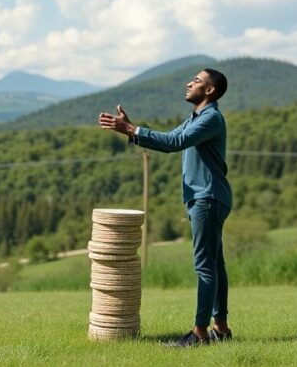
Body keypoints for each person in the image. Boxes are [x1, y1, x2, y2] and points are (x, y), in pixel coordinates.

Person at [98, 69, 233, 347]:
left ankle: (199, 334)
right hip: (208, 198)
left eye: (196, 81)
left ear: (209, 90)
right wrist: (134, 130)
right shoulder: (196, 118)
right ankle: (220, 328)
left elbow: (175, 143)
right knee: (215, 265)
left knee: (206, 267)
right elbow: (170, 137)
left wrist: (132, 130)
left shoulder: (211, 118)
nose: (189, 83)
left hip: (207, 199)